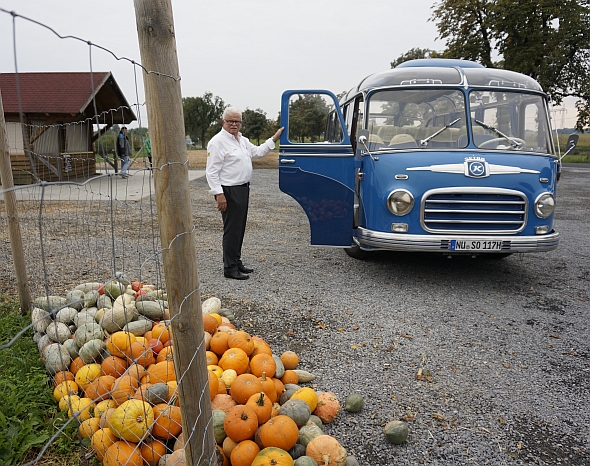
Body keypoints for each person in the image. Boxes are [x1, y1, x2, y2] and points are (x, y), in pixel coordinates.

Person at [206, 107, 284, 280]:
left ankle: (236, 260)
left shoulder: (242, 140)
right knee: (232, 230)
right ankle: (230, 268)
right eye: (230, 121)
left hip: (242, 188)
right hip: (229, 190)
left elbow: (258, 152)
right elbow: (211, 171)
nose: (234, 124)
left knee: (239, 228)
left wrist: (274, 138)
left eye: (237, 121)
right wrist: (219, 194)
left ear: (241, 123)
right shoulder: (217, 142)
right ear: (223, 122)